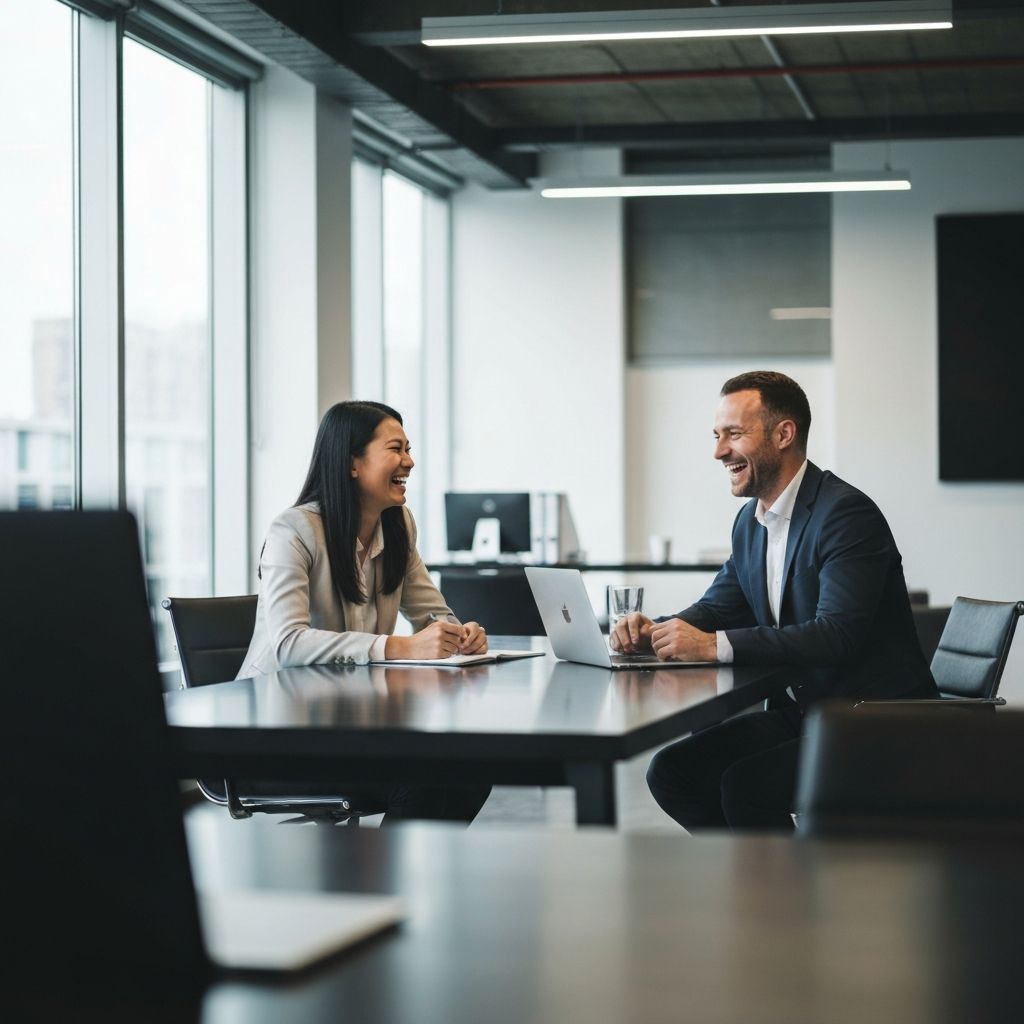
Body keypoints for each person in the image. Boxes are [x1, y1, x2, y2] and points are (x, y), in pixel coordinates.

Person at [611, 371, 937, 832]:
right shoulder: (751, 522)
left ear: (784, 434)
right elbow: (717, 608)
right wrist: (653, 632)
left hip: (872, 724)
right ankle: (760, 890)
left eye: (734, 434)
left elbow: (836, 635)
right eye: (716, 435)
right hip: (806, 714)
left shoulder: (845, 514)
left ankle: (783, 898)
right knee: (673, 772)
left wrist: (714, 645)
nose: (719, 451)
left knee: (746, 786)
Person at [238, 399, 491, 823]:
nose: (409, 461)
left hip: (349, 727)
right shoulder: (294, 531)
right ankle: (392, 885)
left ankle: (413, 880)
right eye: (396, 449)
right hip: (276, 735)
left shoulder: (398, 525)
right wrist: (401, 646)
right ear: (352, 462)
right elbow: (288, 643)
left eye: (409, 448)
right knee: (420, 778)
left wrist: (456, 634)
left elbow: (433, 614)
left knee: (471, 768)